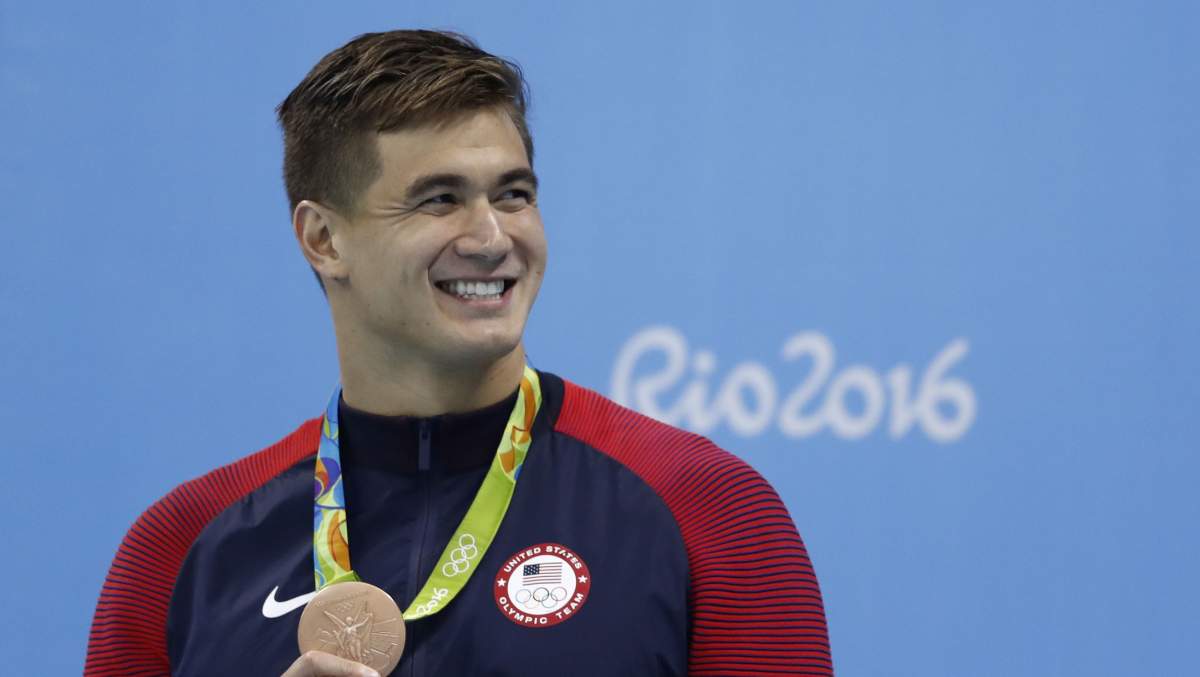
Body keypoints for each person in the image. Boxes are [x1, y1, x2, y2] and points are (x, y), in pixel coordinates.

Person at [84, 30, 833, 676]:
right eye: (440, 199)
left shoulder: (707, 510)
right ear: (324, 239)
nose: (492, 237)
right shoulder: (182, 548)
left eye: (512, 194)